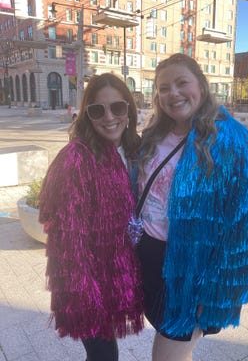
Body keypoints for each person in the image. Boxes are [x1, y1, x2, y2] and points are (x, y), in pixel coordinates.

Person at [135, 53, 248, 361]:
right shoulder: (154, 134)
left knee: (166, 355)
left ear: (201, 84)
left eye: (182, 82)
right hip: (149, 259)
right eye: (163, 87)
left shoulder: (233, 141)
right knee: (176, 348)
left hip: (193, 273)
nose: (173, 93)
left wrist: (218, 291)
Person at [39, 73, 144, 361]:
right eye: (97, 110)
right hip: (87, 288)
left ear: (129, 110)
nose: (109, 117)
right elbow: (66, 242)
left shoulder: (132, 149)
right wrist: (86, 298)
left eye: (118, 108)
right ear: (87, 115)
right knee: (104, 357)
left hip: (115, 278)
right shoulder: (77, 158)